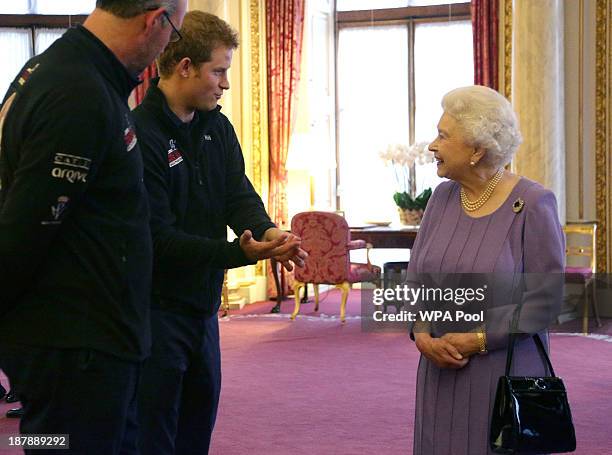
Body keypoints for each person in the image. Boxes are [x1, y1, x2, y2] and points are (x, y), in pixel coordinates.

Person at [0, 1, 187, 453]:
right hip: (76, 355)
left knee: (50, 444)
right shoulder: (78, 91)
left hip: (84, 349)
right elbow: (24, 231)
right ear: (154, 20)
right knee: (57, 446)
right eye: (174, 33)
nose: (167, 45)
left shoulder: (56, 70)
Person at [131, 11, 307, 454]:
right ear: (185, 66)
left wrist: (269, 235)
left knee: (196, 432)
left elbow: (238, 198)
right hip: (153, 314)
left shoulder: (217, 125)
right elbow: (159, 239)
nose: (225, 84)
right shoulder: (139, 133)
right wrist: (242, 255)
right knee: (156, 438)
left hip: (203, 310)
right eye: (219, 70)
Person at [407, 85, 564, 454]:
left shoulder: (533, 203)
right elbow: (416, 279)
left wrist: (476, 339)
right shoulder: (441, 198)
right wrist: (421, 332)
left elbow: (545, 300)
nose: (432, 145)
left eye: (443, 136)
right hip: (438, 370)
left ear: (477, 150)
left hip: (503, 374)